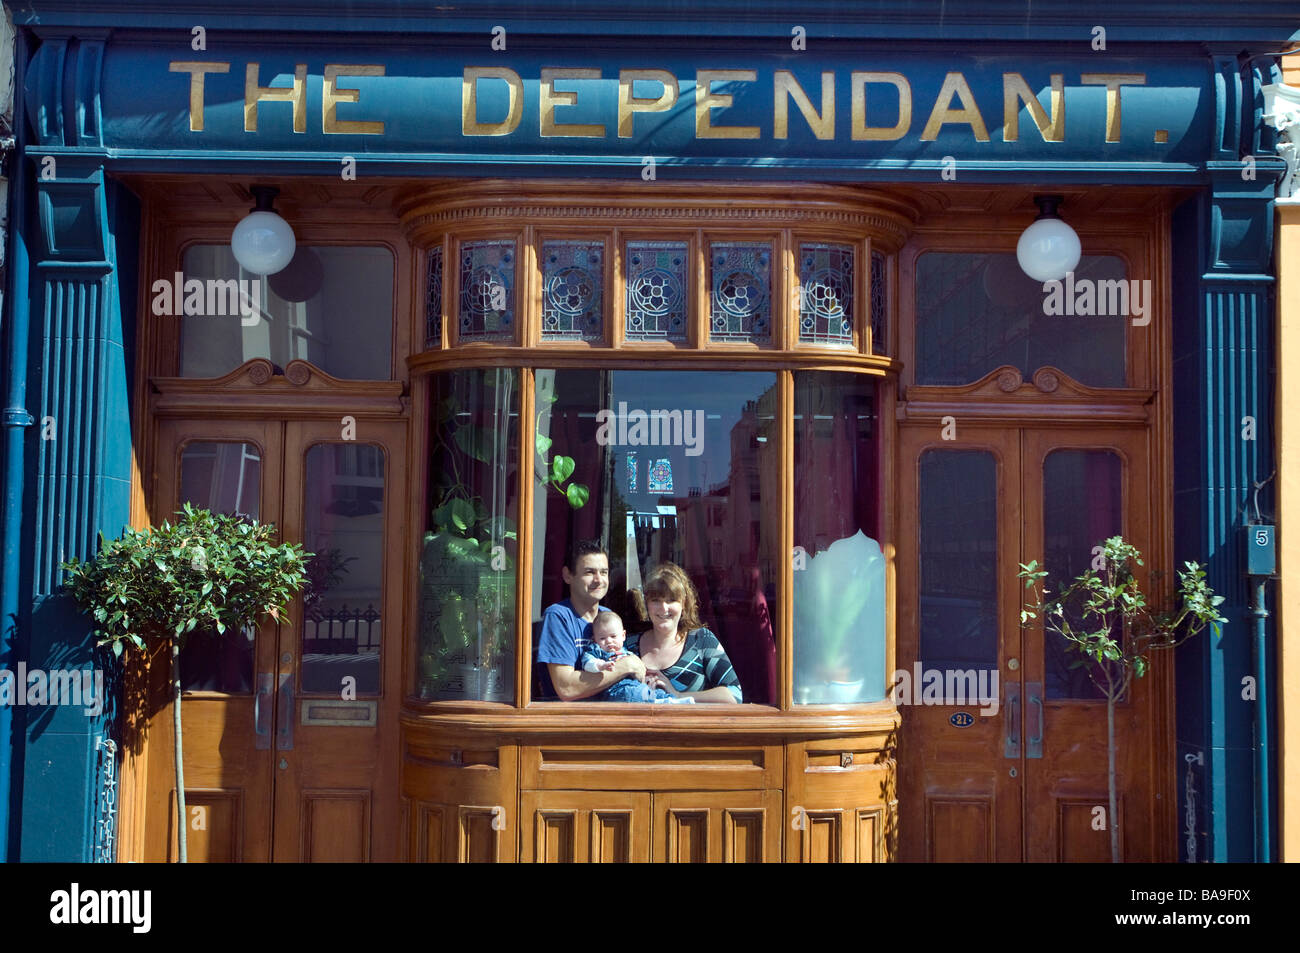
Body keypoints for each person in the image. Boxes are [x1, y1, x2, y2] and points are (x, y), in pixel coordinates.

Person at [536, 540, 646, 701]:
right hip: (570, 720)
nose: (599, 580)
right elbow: (566, 688)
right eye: (589, 572)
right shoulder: (558, 617)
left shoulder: (607, 616)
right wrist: (626, 666)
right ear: (567, 575)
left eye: (604, 572)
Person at [628, 561, 742, 704]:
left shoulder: (701, 640)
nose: (664, 608)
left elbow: (734, 694)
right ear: (647, 604)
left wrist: (678, 695)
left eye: (671, 600)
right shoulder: (628, 645)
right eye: (656, 600)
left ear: (683, 603)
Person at [581, 612, 695, 704]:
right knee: (630, 694)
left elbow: (639, 670)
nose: (609, 641)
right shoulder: (597, 651)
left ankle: (673, 701)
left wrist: (647, 678)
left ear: (623, 636)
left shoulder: (628, 653)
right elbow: (587, 663)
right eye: (602, 638)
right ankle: (660, 702)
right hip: (615, 691)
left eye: (613, 636)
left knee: (653, 691)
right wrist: (600, 665)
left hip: (636, 686)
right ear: (595, 640)